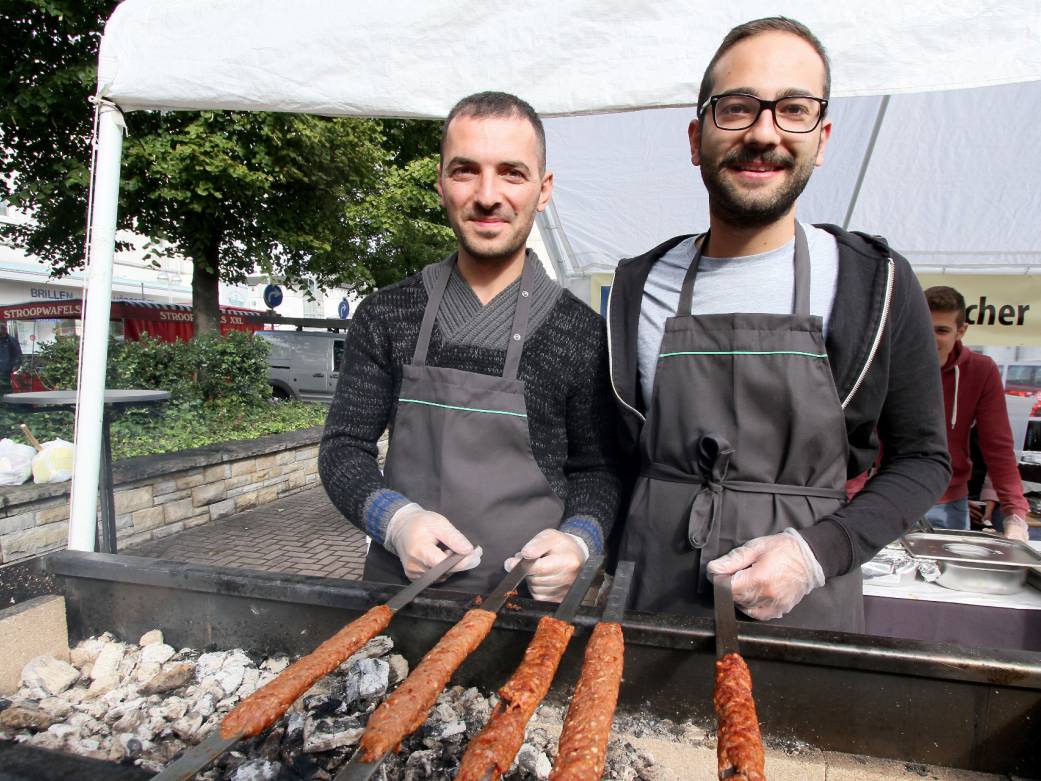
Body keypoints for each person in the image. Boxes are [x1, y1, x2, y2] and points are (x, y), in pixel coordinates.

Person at [607, 17, 951, 632]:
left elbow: (923, 459)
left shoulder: (874, 282)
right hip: (649, 603)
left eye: (793, 109)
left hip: (806, 612)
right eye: (737, 107)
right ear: (697, 138)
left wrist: (817, 554)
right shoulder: (639, 283)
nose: (764, 133)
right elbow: (610, 457)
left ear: (822, 138)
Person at [319, 92, 620, 601]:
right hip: (399, 601)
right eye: (465, 171)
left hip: (532, 611)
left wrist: (579, 540)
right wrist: (395, 521)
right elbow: (343, 447)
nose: (487, 195)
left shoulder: (582, 333)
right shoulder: (386, 315)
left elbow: (599, 469)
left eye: (512, 173)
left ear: (543, 189)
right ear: (441, 182)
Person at [924, 285, 1030, 541]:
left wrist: (1015, 513)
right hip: (891, 497)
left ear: (961, 331)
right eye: (925, 328)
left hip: (948, 503)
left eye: (941, 330)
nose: (930, 338)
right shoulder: (894, 363)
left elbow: (998, 446)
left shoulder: (981, 370)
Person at [0, 322, 22, 396]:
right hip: (3, 367)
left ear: (4, 330)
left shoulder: (11, 340)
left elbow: (18, 354)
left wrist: (16, 365)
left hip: (7, 368)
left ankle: (8, 401)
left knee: (6, 387)